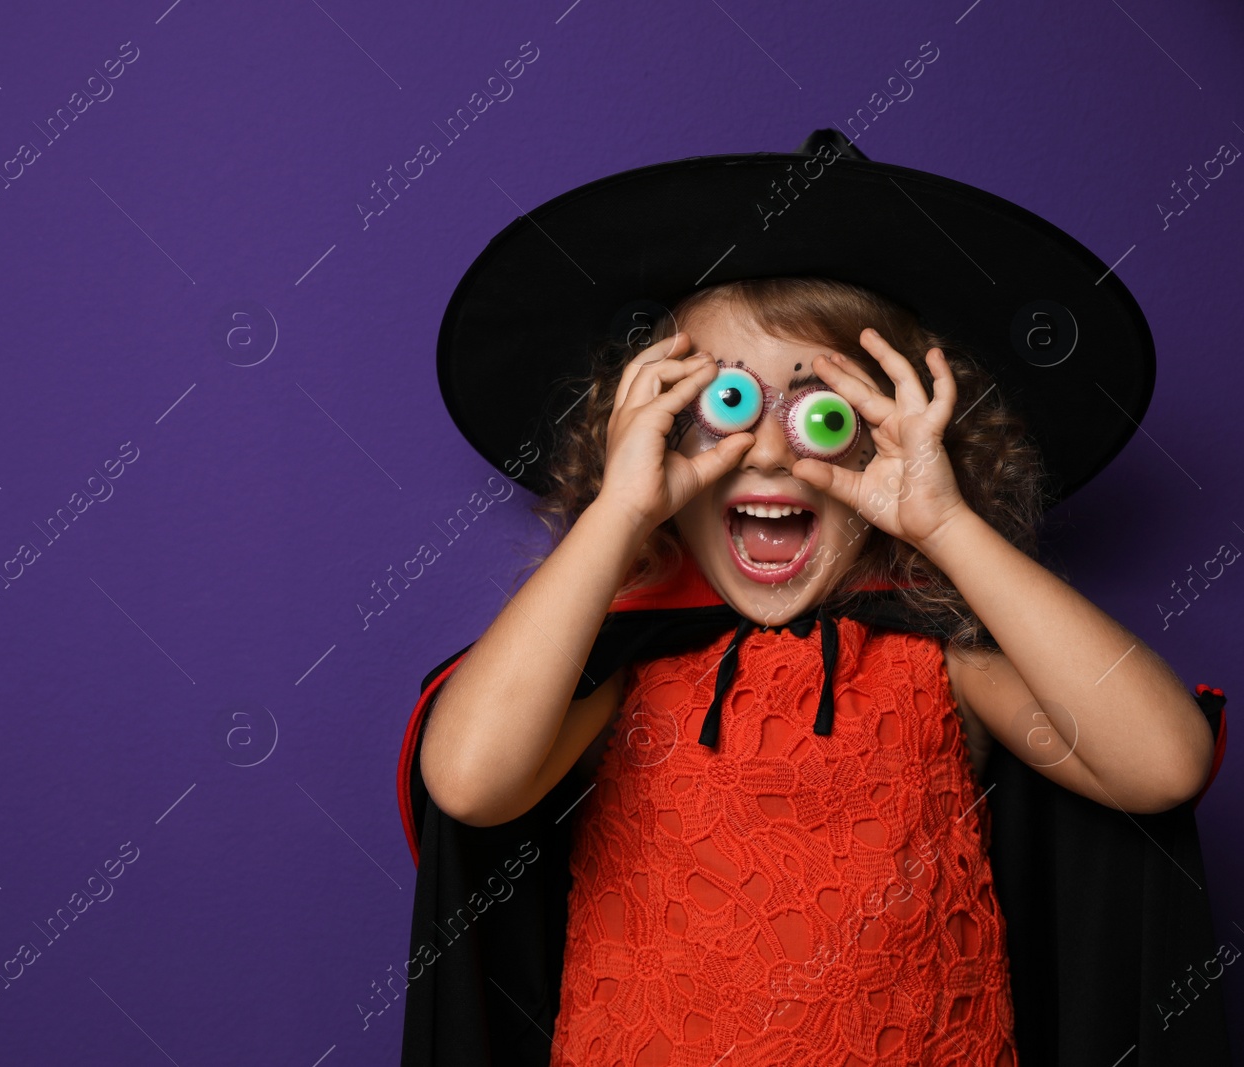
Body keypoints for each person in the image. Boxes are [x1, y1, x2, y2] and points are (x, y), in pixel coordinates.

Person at [396, 131, 1230, 1066]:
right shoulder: (623, 671)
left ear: (894, 435)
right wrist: (619, 512)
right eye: (725, 405)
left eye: (824, 413)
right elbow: (467, 782)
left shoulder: (938, 666)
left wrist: (945, 523)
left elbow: (1164, 763)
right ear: (656, 433)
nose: (769, 453)